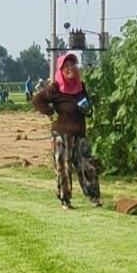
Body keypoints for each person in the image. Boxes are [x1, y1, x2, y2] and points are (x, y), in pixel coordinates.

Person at [32, 52, 101, 208]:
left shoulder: (80, 86)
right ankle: (65, 200)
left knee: (88, 166)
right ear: (61, 70)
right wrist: (50, 113)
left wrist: (87, 109)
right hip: (62, 135)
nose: (70, 69)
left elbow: (87, 104)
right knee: (64, 167)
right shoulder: (56, 88)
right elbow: (37, 100)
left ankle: (94, 197)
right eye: (66, 66)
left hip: (80, 134)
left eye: (73, 65)